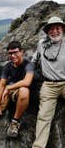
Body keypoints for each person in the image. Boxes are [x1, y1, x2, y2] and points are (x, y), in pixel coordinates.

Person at [32, 16, 65, 148]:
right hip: (48, 85)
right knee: (43, 117)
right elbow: (33, 61)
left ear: (62, 29)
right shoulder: (42, 44)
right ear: (47, 32)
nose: (54, 31)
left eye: (57, 28)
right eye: (51, 29)